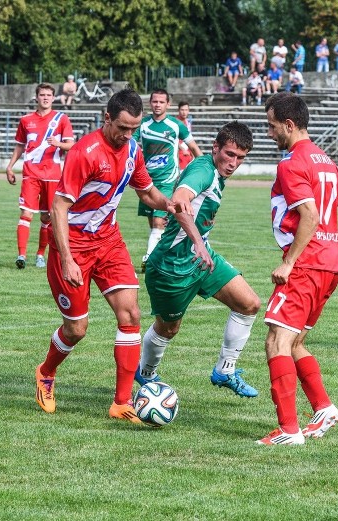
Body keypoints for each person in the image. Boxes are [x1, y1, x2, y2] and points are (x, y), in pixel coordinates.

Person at [32, 87, 192, 419]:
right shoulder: (84, 152)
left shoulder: (133, 150)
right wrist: (66, 259)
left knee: (131, 314)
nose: (128, 135)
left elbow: (147, 192)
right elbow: (58, 208)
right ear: (107, 118)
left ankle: (121, 402)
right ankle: (46, 372)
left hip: (109, 243)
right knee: (77, 329)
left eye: (133, 128)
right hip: (72, 246)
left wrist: (170, 203)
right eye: (122, 128)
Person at [257, 92, 338, 445]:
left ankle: (289, 430)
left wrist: (290, 262)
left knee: (276, 341)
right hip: (328, 266)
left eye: (271, 126)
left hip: (304, 267)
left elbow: (310, 216)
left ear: (289, 125)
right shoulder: (326, 161)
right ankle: (323, 407)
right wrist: (329, 247)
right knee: (296, 340)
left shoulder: (291, 163)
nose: (269, 133)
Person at [136, 121, 260, 399]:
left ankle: (225, 370)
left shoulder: (216, 173)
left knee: (249, 303)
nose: (233, 163)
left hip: (201, 260)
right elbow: (180, 202)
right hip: (171, 266)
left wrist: (201, 246)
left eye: (240, 158)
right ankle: (145, 374)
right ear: (215, 148)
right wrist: (196, 242)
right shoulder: (202, 170)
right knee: (168, 329)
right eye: (229, 154)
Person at [5, 83, 75, 269]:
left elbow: (71, 146)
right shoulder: (26, 120)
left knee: (47, 218)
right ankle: (21, 255)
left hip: (53, 175)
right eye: (42, 94)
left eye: (48, 95)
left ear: (53, 98)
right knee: (26, 213)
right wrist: (10, 166)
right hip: (31, 174)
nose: (45, 98)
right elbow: (20, 145)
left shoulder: (61, 119)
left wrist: (58, 143)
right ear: (36, 97)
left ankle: (40, 254)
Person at [134, 89, 202, 272]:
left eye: (161, 102)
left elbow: (195, 149)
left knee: (158, 222)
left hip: (168, 180)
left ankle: (148, 260)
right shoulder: (142, 125)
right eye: (154, 101)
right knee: (154, 226)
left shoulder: (175, 125)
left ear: (168, 104)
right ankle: (159, 259)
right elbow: (129, 146)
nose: (157, 105)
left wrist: (202, 172)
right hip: (147, 182)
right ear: (150, 103)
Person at [176, 101, 194, 171]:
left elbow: (190, 138)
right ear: (178, 110)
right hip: (178, 153)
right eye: (182, 110)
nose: (184, 112)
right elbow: (172, 139)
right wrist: (182, 149)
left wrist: (192, 152)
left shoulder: (188, 122)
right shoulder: (175, 123)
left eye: (186, 110)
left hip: (187, 152)